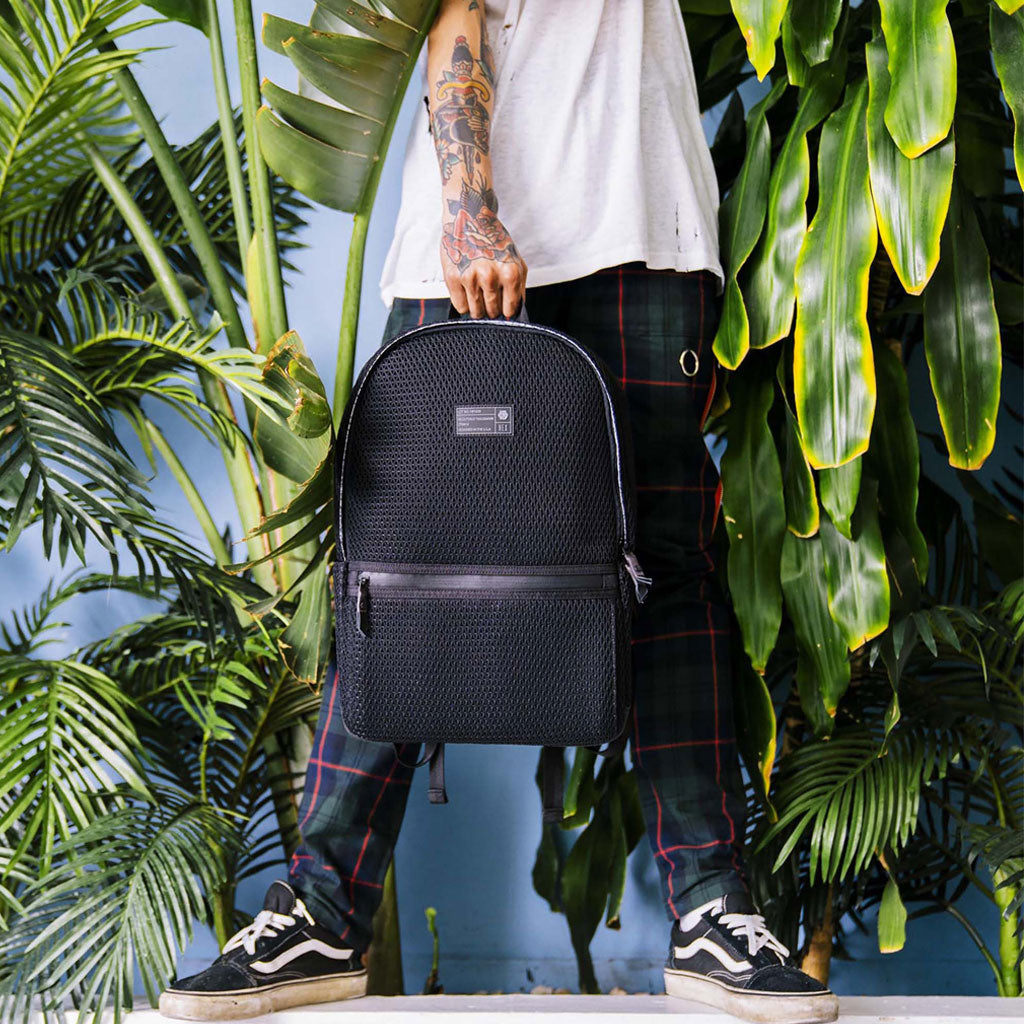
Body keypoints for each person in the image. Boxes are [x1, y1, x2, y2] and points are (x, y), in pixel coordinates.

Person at [159, 2, 838, 1022]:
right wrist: (470, 209)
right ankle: (322, 915)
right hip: (466, 251)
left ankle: (711, 909)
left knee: (666, 566)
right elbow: (458, 16)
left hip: (645, 224)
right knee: (400, 575)